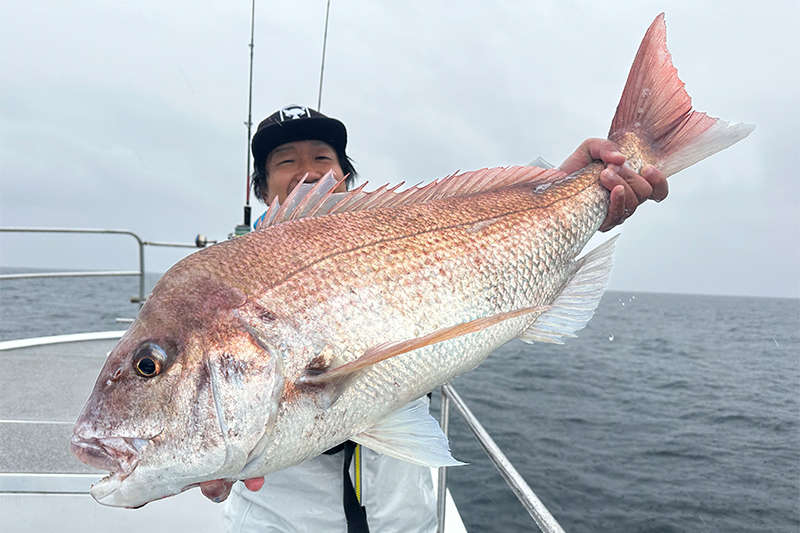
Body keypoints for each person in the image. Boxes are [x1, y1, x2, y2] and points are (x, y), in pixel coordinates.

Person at [199, 104, 667, 532]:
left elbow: (484, 254)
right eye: (285, 161)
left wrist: (572, 192)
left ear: (345, 177)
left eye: (322, 158)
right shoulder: (216, 290)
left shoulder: (396, 237)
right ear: (261, 188)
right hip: (282, 520)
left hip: (404, 514)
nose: (306, 173)